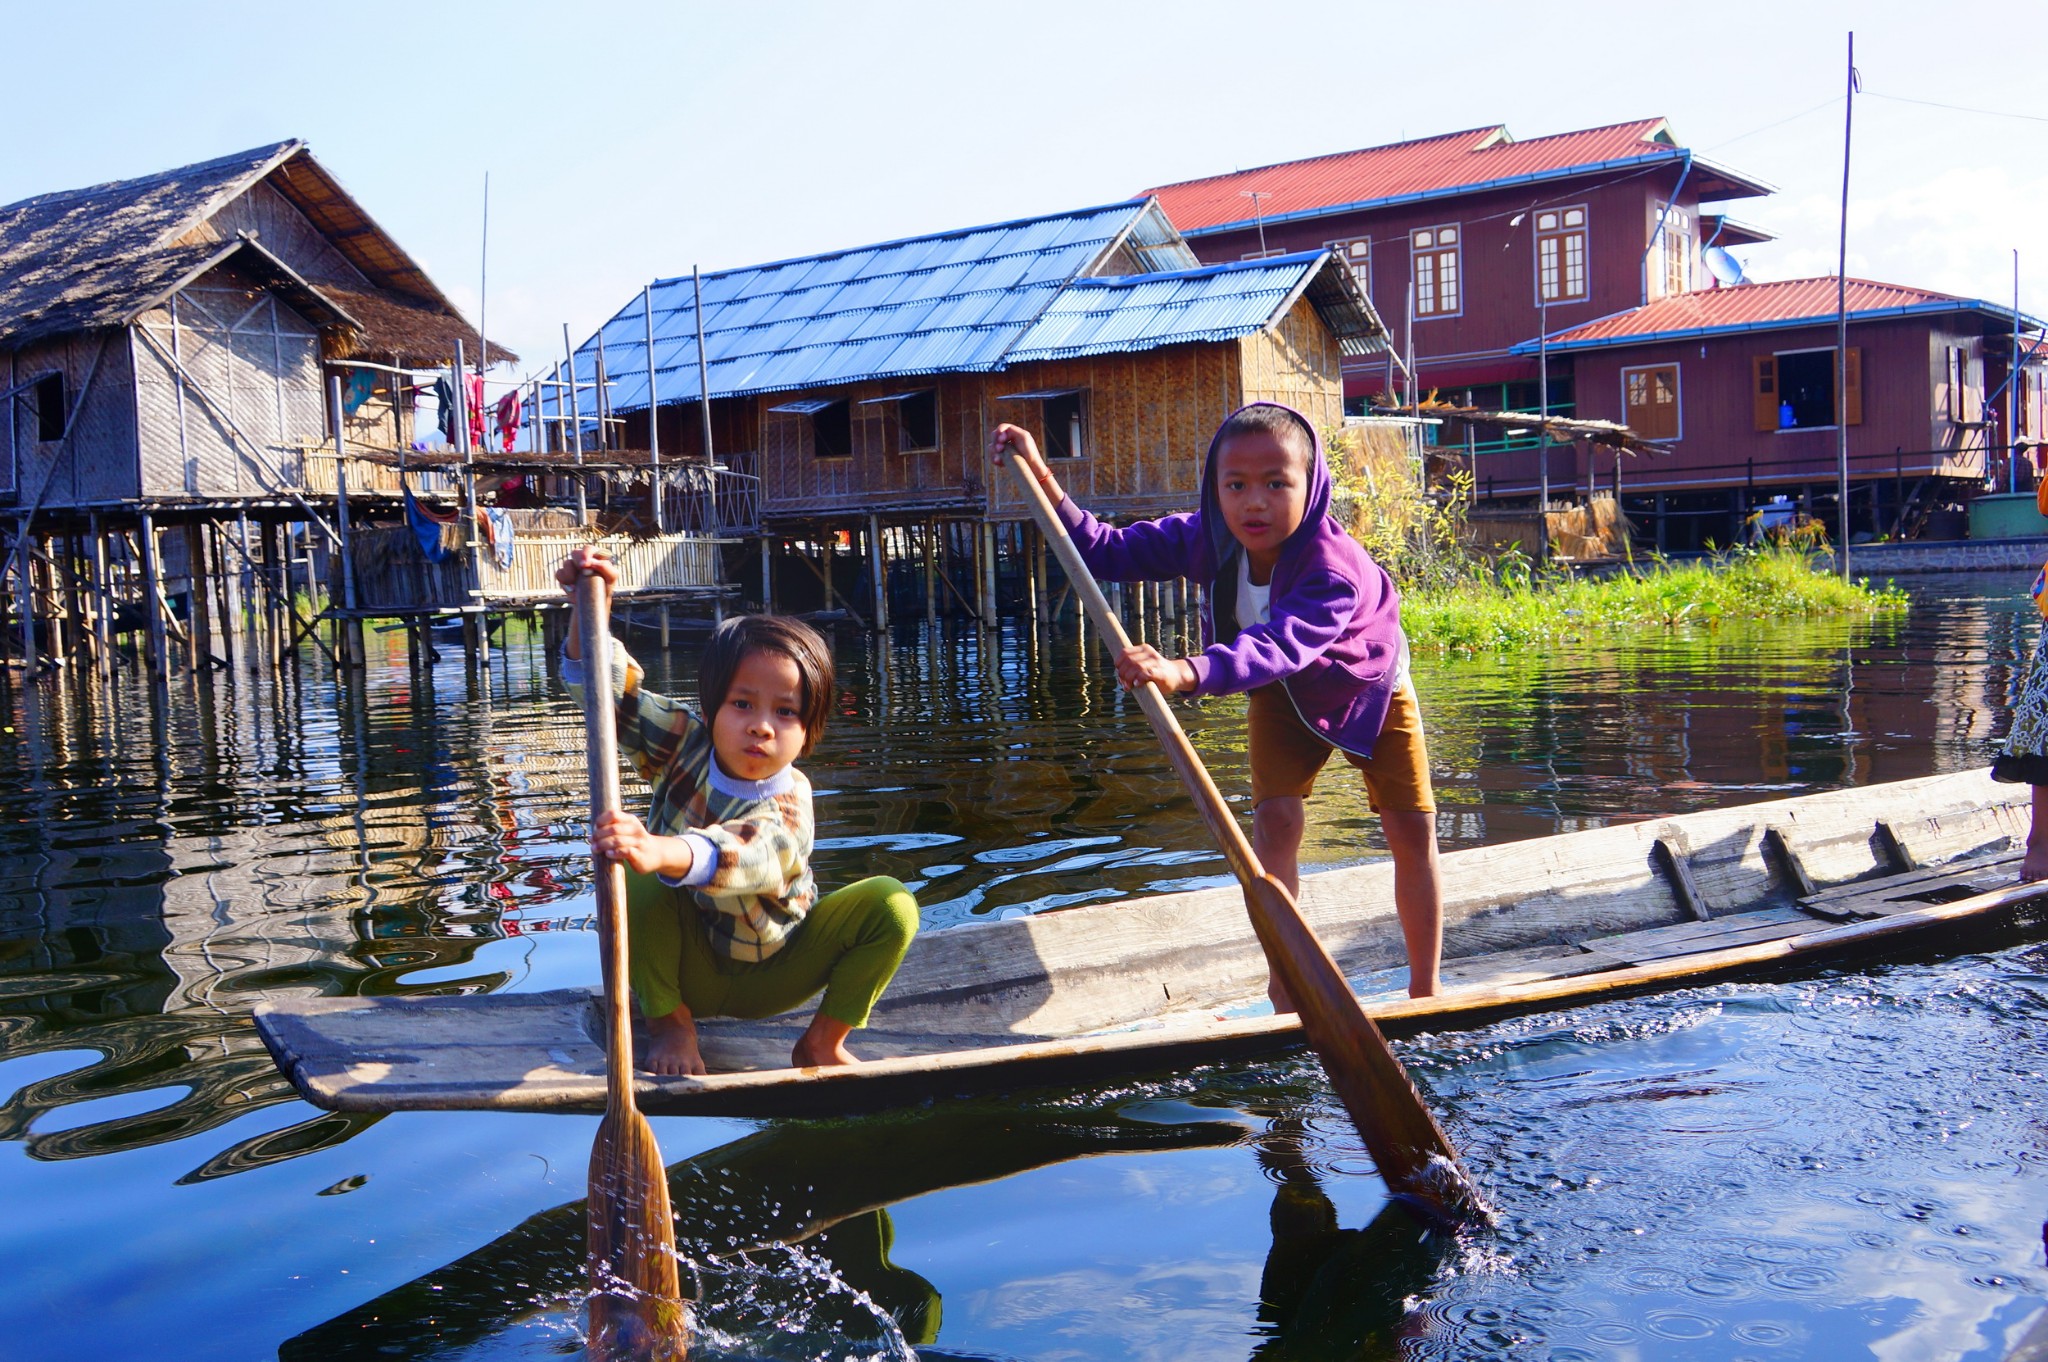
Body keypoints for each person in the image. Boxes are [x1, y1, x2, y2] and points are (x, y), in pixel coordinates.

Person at [989, 401, 1443, 1003]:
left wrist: (1186, 670)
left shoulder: (1332, 569)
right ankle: (1289, 990)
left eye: (1277, 484)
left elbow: (1283, 644)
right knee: (1274, 825)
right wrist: (1044, 478)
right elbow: (1106, 550)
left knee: (1410, 830)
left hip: (1369, 688)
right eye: (1237, 485)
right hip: (1283, 694)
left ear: (1311, 488)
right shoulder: (1210, 536)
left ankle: (1426, 991)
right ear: (1217, 489)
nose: (1254, 502)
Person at [557, 546, 919, 1074]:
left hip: (779, 968)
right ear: (711, 709)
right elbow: (609, 698)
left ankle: (821, 1040)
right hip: (687, 971)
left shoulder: (791, 802)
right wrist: (591, 607)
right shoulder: (686, 744)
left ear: (809, 731)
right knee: (632, 873)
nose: (761, 726)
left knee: (892, 905)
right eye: (742, 704)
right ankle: (670, 1023)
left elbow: (749, 853)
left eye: (786, 712)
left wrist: (663, 848)